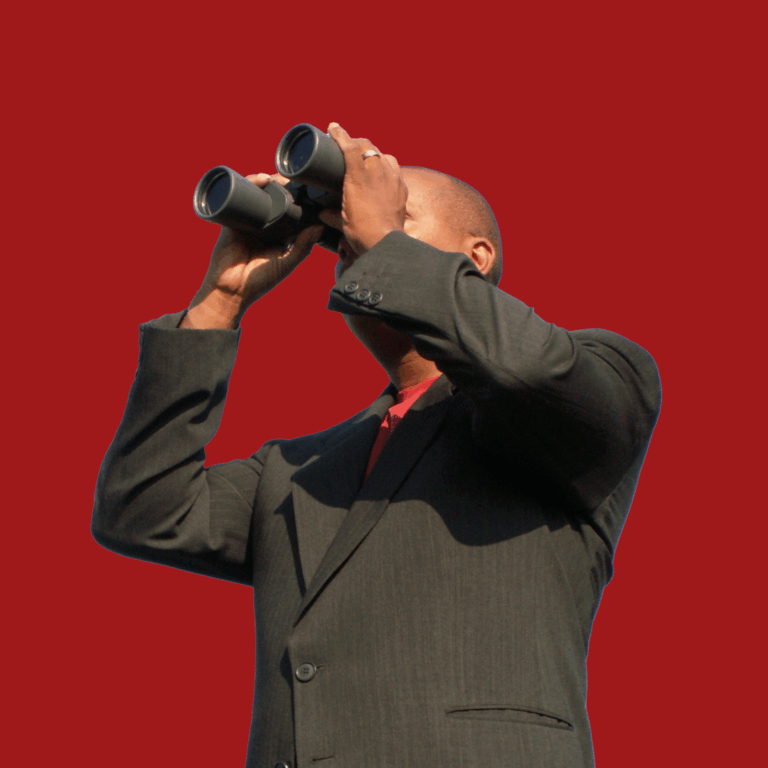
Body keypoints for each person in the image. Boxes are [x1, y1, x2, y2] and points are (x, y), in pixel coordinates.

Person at [92, 123, 662, 768]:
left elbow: (527, 369)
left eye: (397, 218)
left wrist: (381, 237)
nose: (357, 243)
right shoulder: (295, 470)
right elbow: (142, 510)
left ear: (477, 259)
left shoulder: (597, 378)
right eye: (346, 235)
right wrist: (218, 303)